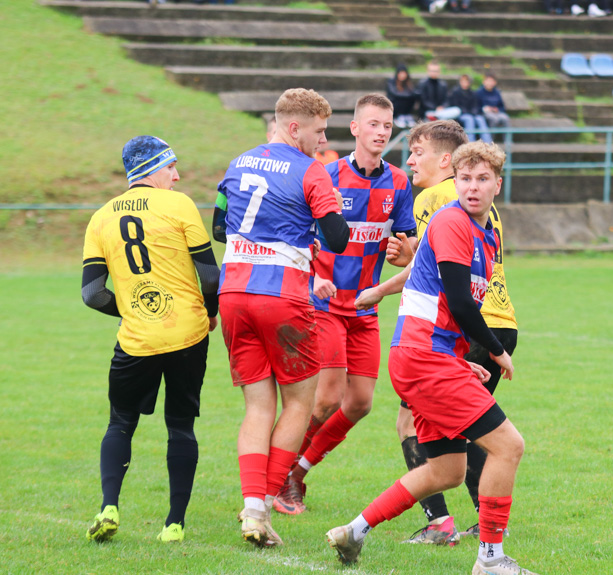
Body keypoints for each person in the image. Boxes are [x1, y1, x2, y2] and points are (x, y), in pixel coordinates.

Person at [326, 140, 536, 575]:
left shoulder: (485, 233)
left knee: (447, 470)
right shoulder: (452, 222)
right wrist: (497, 352)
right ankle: (491, 560)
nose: (472, 187)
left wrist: (462, 357)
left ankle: (354, 531)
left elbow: (439, 298)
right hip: (423, 358)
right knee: (508, 447)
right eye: (464, 179)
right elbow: (460, 304)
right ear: (453, 180)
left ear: (498, 184)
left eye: (482, 179)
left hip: (428, 355)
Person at [271, 94, 418, 515]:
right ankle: (279, 476)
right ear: (354, 128)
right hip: (327, 304)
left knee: (361, 403)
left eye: (387, 126)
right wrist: (315, 274)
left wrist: (403, 253)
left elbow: (406, 246)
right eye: (373, 124)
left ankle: (297, 470)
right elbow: (299, 235)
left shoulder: (398, 183)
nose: (381, 132)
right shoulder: (324, 176)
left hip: (366, 308)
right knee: (326, 399)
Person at [216, 88, 350, 547]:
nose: (322, 139)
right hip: (282, 296)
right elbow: (336, 237)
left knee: (257, 405)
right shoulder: (312, 170)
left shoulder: (238, 162)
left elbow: (220, 227)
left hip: (233, 292)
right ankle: (265, 504)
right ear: (294, 128)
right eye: (319, 130)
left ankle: (252, 508)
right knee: (298, 402)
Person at [82, 136, 220, 544]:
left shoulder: (101, 217)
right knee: (180, 427)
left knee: (120, 422)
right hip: (188, 334)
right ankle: (173, 525)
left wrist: (130, 310)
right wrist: (210, 313)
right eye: (170, 167)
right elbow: (211, 276)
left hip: (136, 339)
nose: (177, 176)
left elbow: (92, 294)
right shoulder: (180, 205)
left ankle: (109, 506)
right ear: (150, 169)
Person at [449, 74, 494, 143]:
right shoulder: (455, 92)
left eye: (466, 81)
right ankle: (470, 143)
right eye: (463, 81)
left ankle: (488, 143)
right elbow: (456, 106)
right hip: (462, 115)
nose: (464, 83)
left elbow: (475, 106)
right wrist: (468, 112)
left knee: (480, 119)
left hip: (473, 114)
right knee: (469, 119)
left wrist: (473, 112)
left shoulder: (473, 93)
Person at [387, 63, 419, 129]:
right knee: (401, 99)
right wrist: (409, 95)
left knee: (411, 98)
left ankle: (407, 116)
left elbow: (414, 94)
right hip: (395, 107)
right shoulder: (391, 82)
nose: (402, 76)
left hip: (406, 109)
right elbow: (395, 94)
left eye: (404, 73)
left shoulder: (408, 84)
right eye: (401, 73)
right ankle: (398, 117)